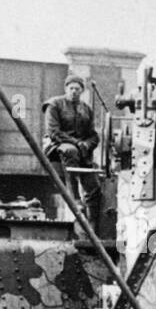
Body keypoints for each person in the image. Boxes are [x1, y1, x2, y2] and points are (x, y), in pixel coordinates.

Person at [43, 75, 101, 221]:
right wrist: (77, 142)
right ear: (66, 88)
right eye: (71, 88)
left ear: (82, 91)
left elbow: (93, 135)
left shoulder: (86, 109)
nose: (74, 91)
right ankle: (74, 197)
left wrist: (87, 144)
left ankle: (93, 223)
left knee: (93, 186)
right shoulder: (54, 104)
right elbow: (53, 131)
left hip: (81, 150)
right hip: (58, 146)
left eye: (77, 88)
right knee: (70, 150)